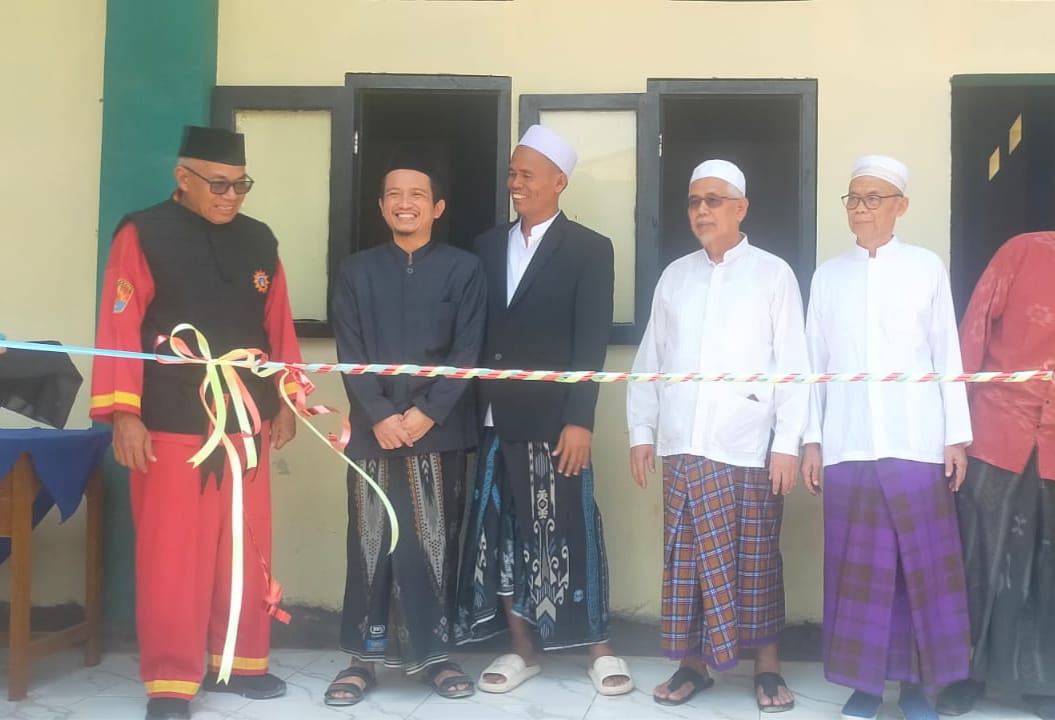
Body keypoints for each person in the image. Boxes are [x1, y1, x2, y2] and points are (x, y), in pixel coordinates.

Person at [91, 126, 302, 720]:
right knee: (173, 556)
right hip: (169, 419)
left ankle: (239, 662)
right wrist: (125, 414)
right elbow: (119, 327)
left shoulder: (259, 239)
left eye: (241, 185)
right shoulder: (143, 233)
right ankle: (170, 680)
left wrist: (286, 401)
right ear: (182, 178)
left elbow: (278, 324)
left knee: (245, 546)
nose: (231, 195)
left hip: (246, 418)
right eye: (218, 184)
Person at [454, 125, 633, 696]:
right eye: (512, 173)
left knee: (570, 532)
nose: (516, 183)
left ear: (560, 181)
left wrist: (581, 418)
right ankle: (522, 648)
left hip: (556, 423)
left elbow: (591, 342)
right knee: (502, 533)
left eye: (527, 174)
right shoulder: (485, 246)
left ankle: (597, 646)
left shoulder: (589, 249)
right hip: (492, 417)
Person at [627, 159, 807, 713]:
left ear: (741, 208)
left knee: (756, 558)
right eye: (693, 201)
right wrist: (641, 429)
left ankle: (767, 667)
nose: (701, 210)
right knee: (686, 561)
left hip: (748, 444)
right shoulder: (675, 277)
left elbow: (793, 364)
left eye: (713, 200)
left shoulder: (773, 274)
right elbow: (651, 359)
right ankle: (693, 666)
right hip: (684, 442)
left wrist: (788, 443)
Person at [801, 155, 972, 720]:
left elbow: (947, 353)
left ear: (901, 206)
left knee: (916, 573)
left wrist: (956, 436)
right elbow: (812, 365)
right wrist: (811, 440)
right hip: (849, 444)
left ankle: (919, 689)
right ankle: (866, 688)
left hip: (917, 442)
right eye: (853, 198)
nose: (860, 208)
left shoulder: (926, 268)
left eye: (873, 198)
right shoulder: (828, 276)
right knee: (858, 573)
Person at [326, 147, 486, 706]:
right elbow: (349, 351)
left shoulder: (464, 270)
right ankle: (361, 659)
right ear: (381, 206)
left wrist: (425, 413)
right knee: (369, 543)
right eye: (394, 194)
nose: (405, 203)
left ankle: (436, 657)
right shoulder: (356, 271)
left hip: (437, 431)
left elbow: (467, 351)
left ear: (437, 207)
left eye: (417, 194)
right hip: (374, 431)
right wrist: (379, 414)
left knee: (431, 545)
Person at [935, 232, 1055, 720]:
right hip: (998, 430)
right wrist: (953, 428)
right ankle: (963, 674)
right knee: (977, 557)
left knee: (1047, 565)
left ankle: (1043, 680)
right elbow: (973, 334)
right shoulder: (1023, 251)